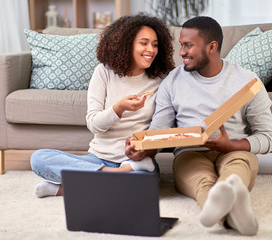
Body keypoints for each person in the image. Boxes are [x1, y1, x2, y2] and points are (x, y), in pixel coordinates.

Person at [125, 16, 272, 236]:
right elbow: (158, 132)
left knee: (235, 172)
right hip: (190, 153)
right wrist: (140, 151)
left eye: (188, 45)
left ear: (212, 47)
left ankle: (220, 210)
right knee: (202, 183)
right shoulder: (172, 81)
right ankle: (235, 214)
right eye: (181, 45)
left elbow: (268, 137)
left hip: (235, 151)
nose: (182, 52)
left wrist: (231, 146)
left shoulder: (247, 81)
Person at [30, 13, 175, 198]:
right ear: (126, 43)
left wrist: (142, 151)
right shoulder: (103, 72)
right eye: (144, 43)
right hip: (98, 159)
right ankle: (115, 175)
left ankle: (64, 189)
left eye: (155, 45)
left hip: (134, 160)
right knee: (39, 158)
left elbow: (160, 128)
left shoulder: (161, 80)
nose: (151, 50)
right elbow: (94, 124)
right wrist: (118, 108)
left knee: (145, 188)